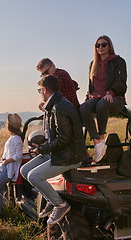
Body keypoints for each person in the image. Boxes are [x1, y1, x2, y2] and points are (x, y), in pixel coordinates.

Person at [20, 75, 86, 225]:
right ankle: (51, 199)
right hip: (59, 152)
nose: (40, 93)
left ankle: (60, 205)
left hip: (69, 155)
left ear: (45, 90)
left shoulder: (60, 107)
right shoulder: (55, 104)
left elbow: (64, 140)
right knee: (24, 171)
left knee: (33, 176)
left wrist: (42, 149)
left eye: (40, 90)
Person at [80, 35, 127, 162]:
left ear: (109, 46)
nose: (100, 47)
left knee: (102, 104)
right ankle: (98, 142)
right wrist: (87, 98)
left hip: (115, 98)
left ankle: (101, 136)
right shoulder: (93, 64)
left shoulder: (118, 61)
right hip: (96, 97)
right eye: (97, 45)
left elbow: (122, 81)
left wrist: (111, 92)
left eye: (103, 44)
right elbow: (91, 86)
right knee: (83, 107)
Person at [0, 113, 23, 215]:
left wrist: (7, 161)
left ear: (9, 126)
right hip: (5, 167)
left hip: (7, 169)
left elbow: (19, 155)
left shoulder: (16, 139)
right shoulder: (14, 137)